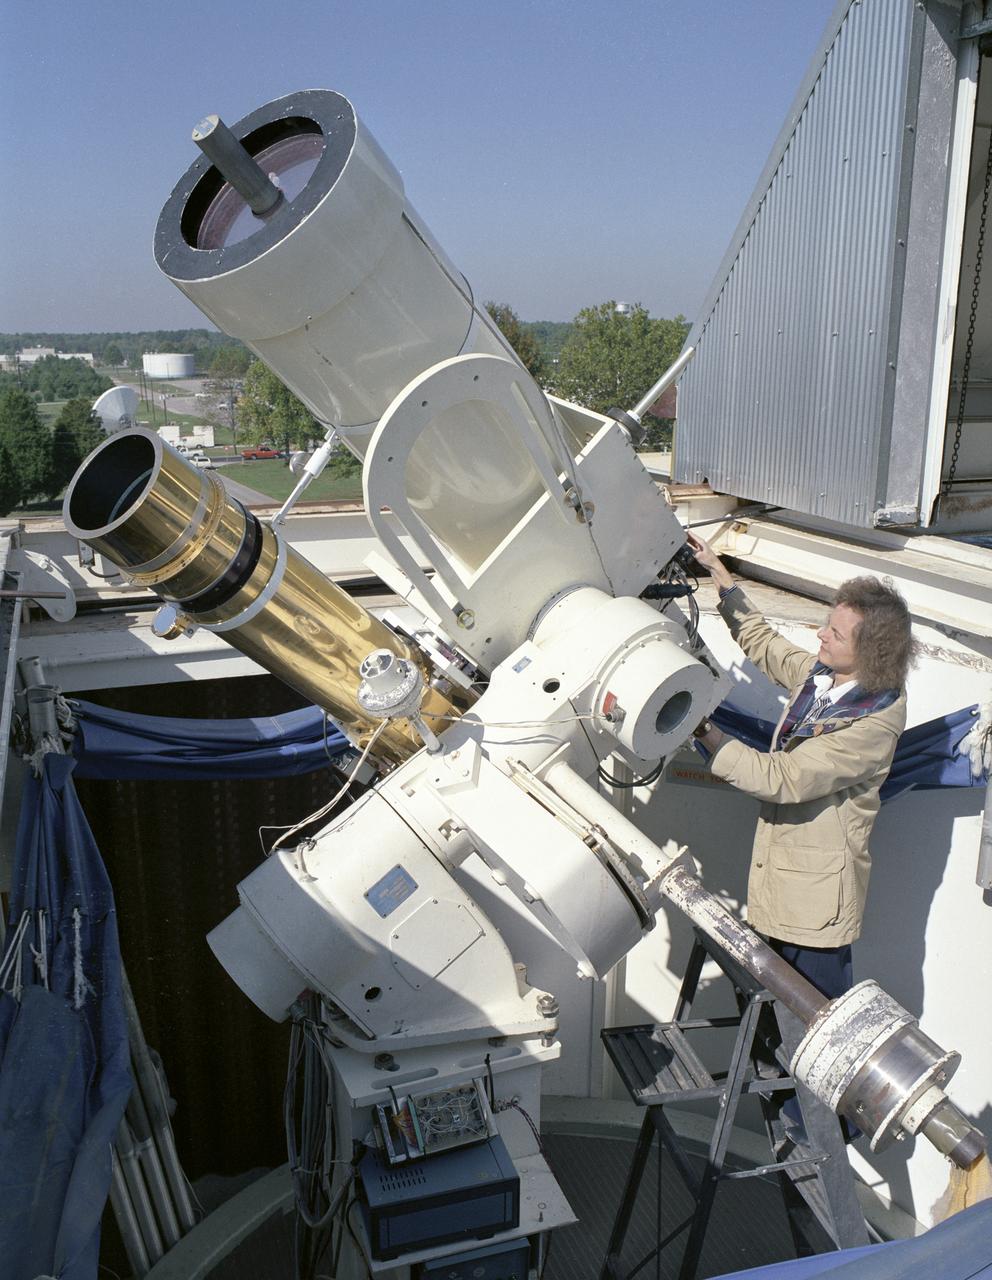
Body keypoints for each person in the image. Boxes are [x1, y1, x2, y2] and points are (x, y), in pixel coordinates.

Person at [685, 530, 916, 1007]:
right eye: (827, 625)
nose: (821, 635)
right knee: (770, 1021)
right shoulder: (823, 678)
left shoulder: (873, 722)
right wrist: (719, 573)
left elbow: (782, 779)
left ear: (870, 653)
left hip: (815, 913)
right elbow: (766, 645)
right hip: (779, 889)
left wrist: (702, 728)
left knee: (816, 1026)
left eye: (835, 634)